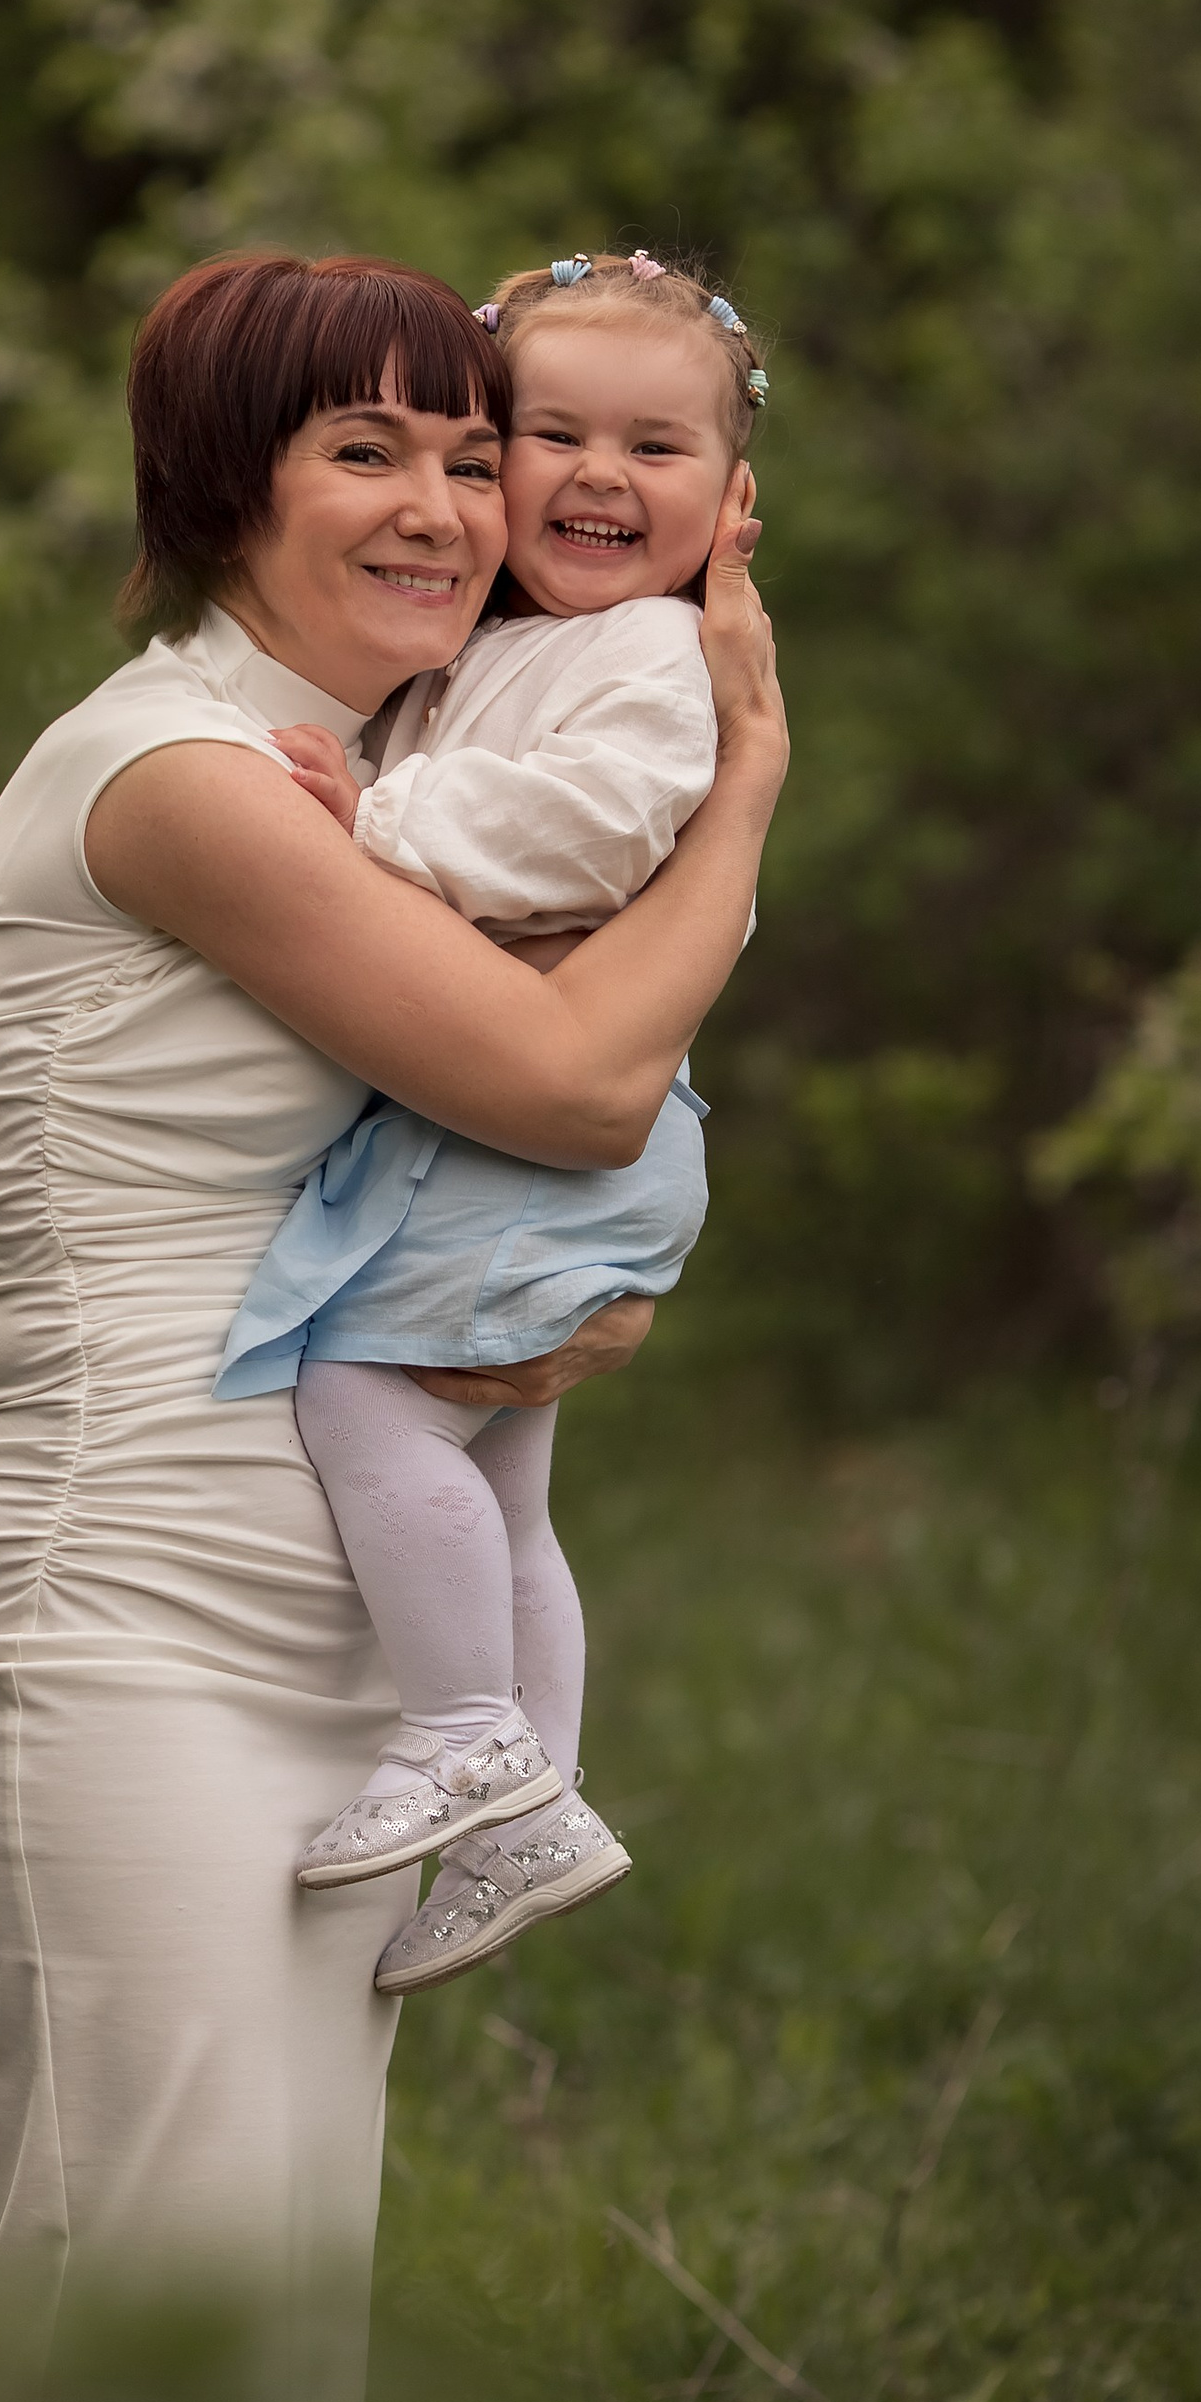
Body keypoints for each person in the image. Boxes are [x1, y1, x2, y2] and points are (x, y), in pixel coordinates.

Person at [0, 252, 785, 2402]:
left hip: (340, 1655)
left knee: (229, 2360)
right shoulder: (180, 775)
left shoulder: (424, 776)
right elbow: (578, 1089)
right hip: (125, 1615)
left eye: (461, 445)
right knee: (142, 2356)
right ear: (219, 485)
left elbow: (497, 1171)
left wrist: (556, 1321)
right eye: (358, 449)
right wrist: (748, 779)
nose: (440, 498)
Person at [210, 249, 770, 1992]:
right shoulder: (521, 642)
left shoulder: (655, 656)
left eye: (657, 448)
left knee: (358, 1394)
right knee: (508, 1487)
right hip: (545, 1118)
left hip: (564, 1116)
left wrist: (376, 815)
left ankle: (462, 1730)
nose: (602, 475)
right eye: (554, 432)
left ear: (732, 499)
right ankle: (539, 1804)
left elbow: (590, 838)